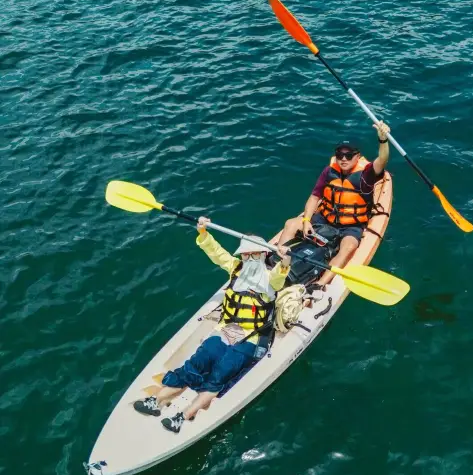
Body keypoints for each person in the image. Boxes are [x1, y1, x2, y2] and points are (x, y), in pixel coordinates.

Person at [133, 218, 291, 433]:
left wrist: (285, 260)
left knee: (221, 372)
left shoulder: (270, 279)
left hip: (251, 336)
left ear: (263, 255)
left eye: (254, 254)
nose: (249, 257)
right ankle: (156, 402)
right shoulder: (236, 269)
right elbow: (216, 253)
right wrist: (203, 232)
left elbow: (281, 273)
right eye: (246, 254)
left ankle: (184, 415)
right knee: (197, 362)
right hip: (225, 329)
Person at [276, 121, 391, 287]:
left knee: (349, 246)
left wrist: (383, 140)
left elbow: (383, 159)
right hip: (324, 218)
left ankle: (321, 283)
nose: (343, 159)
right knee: (291, 224)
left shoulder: (366, 174)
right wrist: (306, 220)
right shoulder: (328, 171)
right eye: (339, 155)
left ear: (357, 156)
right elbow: (315, 196)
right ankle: (277, 263)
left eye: (349, 155)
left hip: (351, 225)